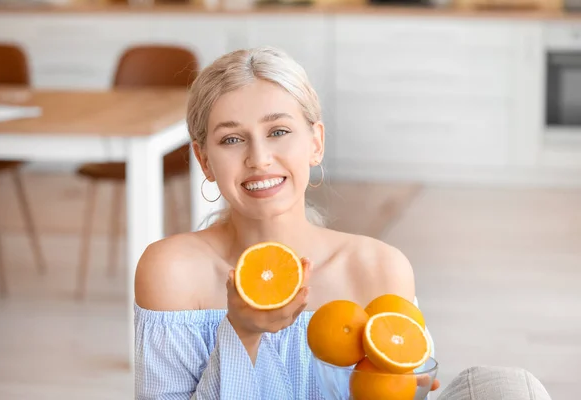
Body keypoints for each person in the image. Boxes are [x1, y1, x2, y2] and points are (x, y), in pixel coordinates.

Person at [133, 46, 552, 400]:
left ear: (315, 142)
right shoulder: (172, 271)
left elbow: (406, 379)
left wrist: (407, 387)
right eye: (231, 139)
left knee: (513, 387)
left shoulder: (377, 267)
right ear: (204, 160)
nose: (258, 158)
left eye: (278, 131)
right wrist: (241, 333)